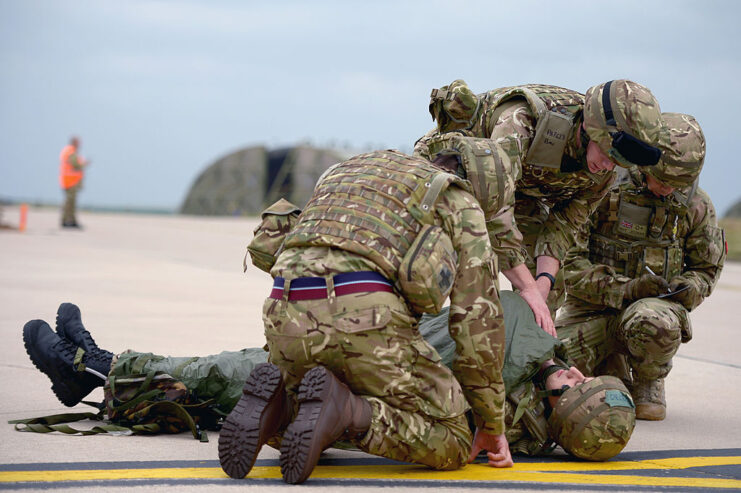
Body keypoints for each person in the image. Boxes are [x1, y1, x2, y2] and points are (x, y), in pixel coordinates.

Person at [22, 294, 635, 464]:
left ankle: (92, 369)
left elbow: (511, 321)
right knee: (218, 381)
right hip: (367, 354)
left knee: (221, 376)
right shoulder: (525, 399)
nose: (572, 373)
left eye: (569, 387)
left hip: (355, 368)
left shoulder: (523, 364)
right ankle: (98, 369)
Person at [414, 79, 669, 333]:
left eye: (619, 163)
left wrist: (542, 285)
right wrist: (527, 287)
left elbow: (564, 225)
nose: (608, 166)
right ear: (594, 129)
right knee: (473, 275)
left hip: (519, 191)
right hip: (454, 176)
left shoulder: (603, 172)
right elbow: (494, 210)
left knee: (546, 290)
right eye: (608, 154)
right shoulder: (523, 120)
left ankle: (530, 358)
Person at [555, 113, 726, 421]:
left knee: (655, 320)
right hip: (591, 309)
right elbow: (568, 262)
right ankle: (612, 366)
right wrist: (627, 288)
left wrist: (687, 289)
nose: (668, 190)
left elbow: (706, 269)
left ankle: (649, 380)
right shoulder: (605, 186)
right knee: (548, 373)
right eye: (663, 180)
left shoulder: (696, 206)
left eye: (678, 184)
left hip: (651, 313)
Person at [59, 136, 89, 228]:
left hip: (68, 181)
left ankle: (66, 220)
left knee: (69, 202)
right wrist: (83, 164)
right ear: (75, 143)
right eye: (79, 142)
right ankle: (70, 221)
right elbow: (75, 165)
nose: (80, 145)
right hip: (71, 182)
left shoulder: (68, 151)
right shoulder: (71, 152)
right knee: (70, 203)